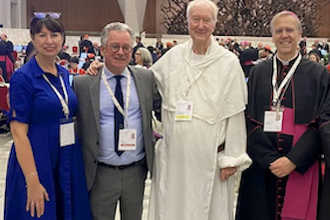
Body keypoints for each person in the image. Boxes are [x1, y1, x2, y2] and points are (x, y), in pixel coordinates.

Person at [148, 0, 251, 219]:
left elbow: (235, 114)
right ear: (188, 23)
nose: (200, 25)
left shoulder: (228, 62)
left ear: (214, 24)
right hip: (174, 159)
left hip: (210, 162)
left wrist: (231, 159)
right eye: (196, 19)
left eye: (206, 20)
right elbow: (144, 82)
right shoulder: (173, 57)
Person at [236, 11, 329, 220]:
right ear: (272, 36)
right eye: (279, 31)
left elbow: (321, 123)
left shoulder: (318, 73)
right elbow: (249, 118)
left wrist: (293, 160)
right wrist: (270, 160)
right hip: (262, 166)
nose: (284, 35)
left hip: (301, 165)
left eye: (289, 30)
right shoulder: (259, 72)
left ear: (300, 34)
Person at [4, 12, 92, 220]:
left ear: (63, 38)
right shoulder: (23, 77)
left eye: (54, 34)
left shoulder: (63, 74)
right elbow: (18, 134)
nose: (49, 41)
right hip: (37, 159)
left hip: (66, 156)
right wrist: (32, 181)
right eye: (42, 35)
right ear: (32, 38)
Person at [74, 22, 161, 220]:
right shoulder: (83, 84)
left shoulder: (145, 78)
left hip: (135, 172)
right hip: (100, 173)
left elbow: (164, 108)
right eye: (114, 47)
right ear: (102, 49)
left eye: (126, 47)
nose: (120, 52)